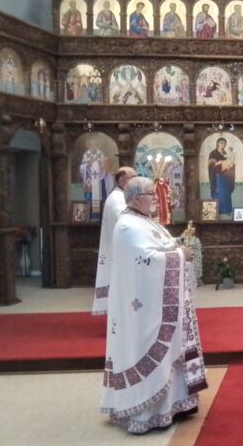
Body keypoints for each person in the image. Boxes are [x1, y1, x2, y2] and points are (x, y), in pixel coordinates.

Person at [101, 177, 206, 434]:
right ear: (137, 198)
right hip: (144, 309)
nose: (157, 198)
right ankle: (149, 411)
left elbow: (161, 246)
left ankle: (177, 403)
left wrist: (177, 247)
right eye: (151, 193)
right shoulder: (127, 226)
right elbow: (147, 260)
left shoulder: (144, 221)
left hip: (159, 302)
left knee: (174, 350)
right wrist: (180, 254)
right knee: (154, 348)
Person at [92, 166, 136, 316]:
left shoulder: (121, 196)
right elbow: (125, 221)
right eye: (133, 177)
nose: (136, 180)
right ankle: (123, 317)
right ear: (122, 180)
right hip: (121, 250)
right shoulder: (117, 199)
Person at [79, 140, 115, 220]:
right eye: (92, 143)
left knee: (101, 196)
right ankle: (90, 215)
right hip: (89, 180)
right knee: (90, 197)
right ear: (89, 145)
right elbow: (82, 167)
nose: (93, 144)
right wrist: (87, 164)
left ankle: (102, 215)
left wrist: (102, 164)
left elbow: (106, 166)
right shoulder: (87, 154)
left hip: (100, 181)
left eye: (95, 143)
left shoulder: (100, 153)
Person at [208, 137, 236, 216]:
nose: (223, 145)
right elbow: (211, 164)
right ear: (218, 143)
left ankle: (227, 210)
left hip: (225, 176)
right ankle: (218, 211)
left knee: (226, 193)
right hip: (217, 176)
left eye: (224, 144)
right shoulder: (213, 153)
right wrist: (219, 162)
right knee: (219, 193)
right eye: (221, 143)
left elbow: (230, 161)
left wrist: (231, 164)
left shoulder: (225, 153)